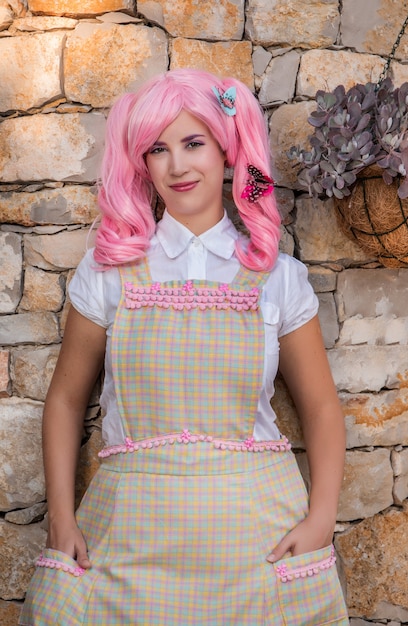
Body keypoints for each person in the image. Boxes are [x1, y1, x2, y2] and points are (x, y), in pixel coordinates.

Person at [20, 68, 349, 626]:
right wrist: (60, 517)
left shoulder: (277, 278)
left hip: (255, 541)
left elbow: (319, 408)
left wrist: (321, 517)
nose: (177, 165)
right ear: (141, 164)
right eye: (157, 149)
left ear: (226, 150)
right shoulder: (109, 272)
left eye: (193, 143)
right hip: (128, 540)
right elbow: (66, 400)